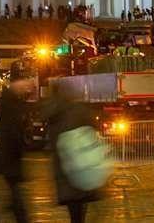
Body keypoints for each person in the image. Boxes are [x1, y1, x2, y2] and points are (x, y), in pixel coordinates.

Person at [46, 81, 103, 223]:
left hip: (64, 164)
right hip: (81, 162)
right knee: (80, 203)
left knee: (74, 206)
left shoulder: (53, 110)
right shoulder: (78, 109)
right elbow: (93, 126)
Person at [0, 70, 34, 221]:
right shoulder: (8, 101)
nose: (25, 86)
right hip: (10, 155)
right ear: (15, 83)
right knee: (15, 195)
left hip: (10, 156)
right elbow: (10, 130)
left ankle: (13, 212)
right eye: (23, 83)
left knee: (13, 194)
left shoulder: (10, 99)